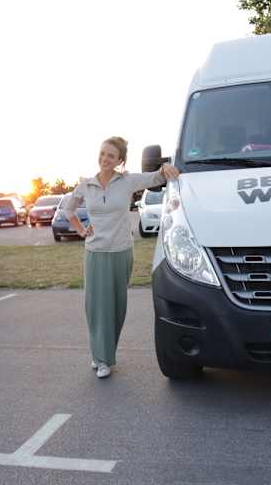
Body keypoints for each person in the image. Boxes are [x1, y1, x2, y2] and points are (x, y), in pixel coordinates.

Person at [63, 136, 180, 379]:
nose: (105, 159)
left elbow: (156, 177)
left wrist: (166, 167)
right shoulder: (86, 184)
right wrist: (81, 230)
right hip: (95, 253)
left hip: (121, 252)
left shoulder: (127, 181)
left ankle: (105, 353)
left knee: (116, 305)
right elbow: (68, 209)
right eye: (103, 153)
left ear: (120, 161)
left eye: (111, 156)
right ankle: (101, 358)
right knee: (96, 307)